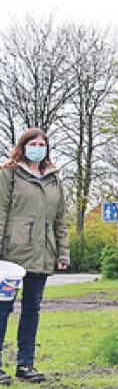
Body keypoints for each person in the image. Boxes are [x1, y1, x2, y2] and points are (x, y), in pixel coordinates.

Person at [0, 128, 70, 384]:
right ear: (23, 146)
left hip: (42, 255)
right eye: (34, 143)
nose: (38, 148)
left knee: (32, 310)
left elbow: (61, 219)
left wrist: (63, 252)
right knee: (2, 309)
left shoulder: (53, 178)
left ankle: (25, 364)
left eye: (43, 144)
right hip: (12, 256)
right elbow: (0, 214)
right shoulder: (9, 174)